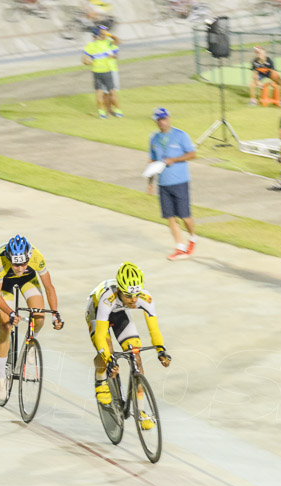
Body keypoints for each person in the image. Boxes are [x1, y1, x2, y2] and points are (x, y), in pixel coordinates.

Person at [86, 263, 171, 425]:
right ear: (119, 291)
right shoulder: (107, 298)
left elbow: (154, 330)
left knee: (136, 356)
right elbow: (100, 335)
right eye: (128, 296)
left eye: (136, 295)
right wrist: (107, 358)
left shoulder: (145, 298)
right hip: (97, 311)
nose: (133, 300)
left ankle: (140, 411)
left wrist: (161, 350)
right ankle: (100, 380)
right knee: (107, 353)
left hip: (119, 313)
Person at [0, 235, 64, 402]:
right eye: (16, 264)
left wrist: (55, 313)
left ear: (29, 258)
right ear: (10, 259)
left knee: (39, 317)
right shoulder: (0, 263)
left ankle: (31, 342)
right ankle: (1, 379)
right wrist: (10, 312)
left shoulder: (37, 257)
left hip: (28, 281)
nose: (20, 267)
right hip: (5, 285)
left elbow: (49, 287)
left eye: (24, 263)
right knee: (5, 326)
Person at [146, 107, 198, 260]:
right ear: (156, 122)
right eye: (159, 120)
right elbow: (153, 160)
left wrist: (174, 160)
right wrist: (150, 182)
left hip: (179, 181)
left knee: (184, 215)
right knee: (170, 216)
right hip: (163, 183)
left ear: (169, 118)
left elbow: (192, 154)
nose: (162, 122)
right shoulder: (154, 139)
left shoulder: (180, 135)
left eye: (164, 119)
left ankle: (193, 237)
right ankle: (180, 247)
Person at [83, 25, 121, 118]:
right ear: (100, 35)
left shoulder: (90, 46)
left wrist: (89, 62)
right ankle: (116, 111)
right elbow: (117, 42)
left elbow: (85, 60)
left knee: (101, 93)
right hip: (108, 70)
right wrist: (108, 34)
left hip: (97, 71)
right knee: (111, 92)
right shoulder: (106, 43)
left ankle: (103, 113)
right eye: (102, 32)